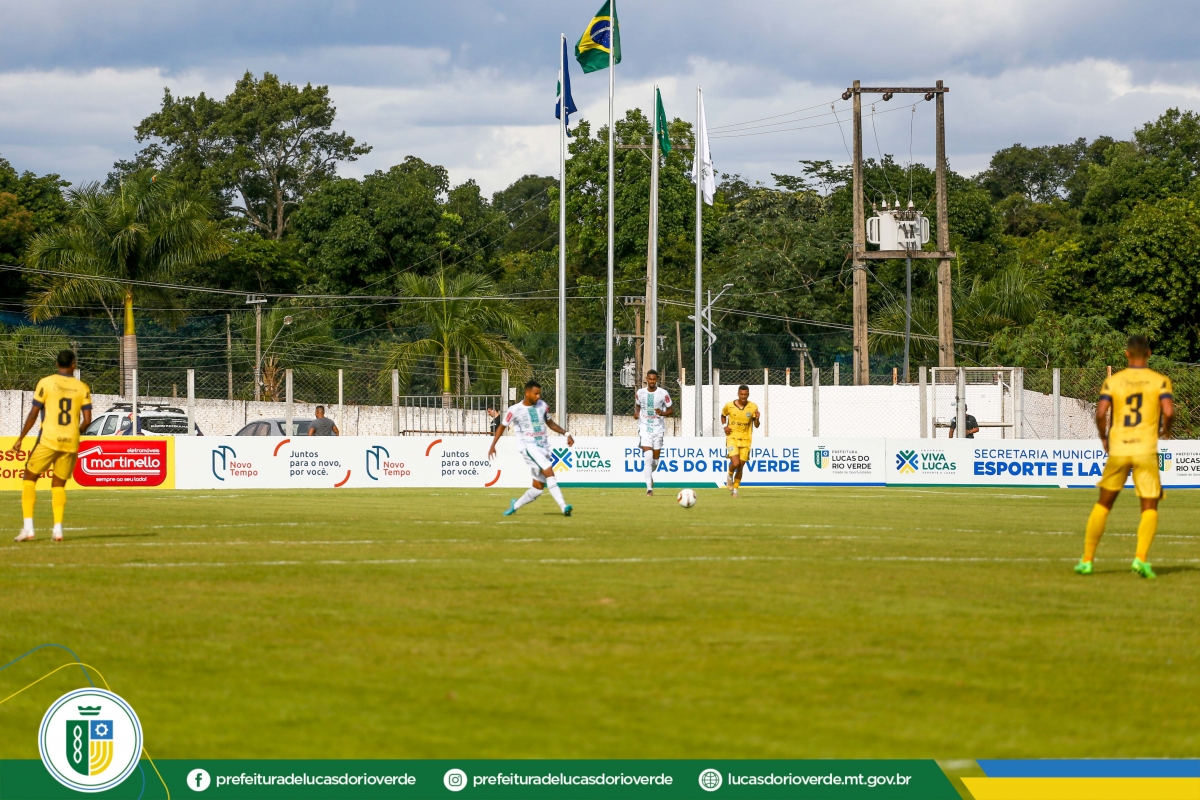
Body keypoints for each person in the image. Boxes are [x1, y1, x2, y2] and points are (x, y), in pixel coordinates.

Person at [1075, 335, 1174, 579]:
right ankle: (1140, 559)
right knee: (1149, 505)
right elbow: (1169, 411)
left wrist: (1104, 438)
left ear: (1127, 354)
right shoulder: (1160, 381)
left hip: (1119, 447)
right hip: (1145, 449)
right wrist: (1166, 431)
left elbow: (1101, 413)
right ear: (1149, 354)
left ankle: (1087, 561)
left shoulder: (1114, 381)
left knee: (1104, 503)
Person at [9, 350, 92, 542]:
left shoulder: (46, 383)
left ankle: (28, 529)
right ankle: (58, 530)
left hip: (48, 439)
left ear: (56, 364)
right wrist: (74, 433)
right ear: (73, 365)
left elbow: (33, 413)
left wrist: (21, 438)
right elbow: (87, 420)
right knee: (59, 484)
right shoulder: (82, 387)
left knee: (29, 477)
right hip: (70, 442)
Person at [489, 380, 574, 517]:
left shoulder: (542, 406)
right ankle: (564, 507)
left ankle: (514, 506)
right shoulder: (515, 410)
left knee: (538, 488)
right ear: (527, 393)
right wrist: (493, 445)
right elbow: (502, 426)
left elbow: (550, 423)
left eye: (539, 394)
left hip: (543, 447)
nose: (538, 396)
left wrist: (566, 433)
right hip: (528, 447)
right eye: (536, 394)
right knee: (549, 471)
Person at [633, 369, 673, 496]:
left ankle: (650, 474)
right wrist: (637, 413)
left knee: (655, 462)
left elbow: (671, 409)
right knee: (648, 456)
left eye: (654, 379)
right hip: (645, 429)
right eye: (650, 379)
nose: (652, 381)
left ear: (657, 380)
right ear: (647, 379)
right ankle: (649, 489)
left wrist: (662, 413)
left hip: (658, 429)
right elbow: (638, 405)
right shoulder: (640, 392)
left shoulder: (663, 393)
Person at [721, 385, 760, 497]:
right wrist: (724, 426)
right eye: (741, 394)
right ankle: (729, 475)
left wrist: (757, 419)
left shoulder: (753, 407)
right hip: (732, 438)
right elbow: (723, 415)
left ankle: (735, 490)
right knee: (735, 463)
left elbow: (756, 425)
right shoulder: (729, 405)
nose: (743, 396)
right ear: (738, 394)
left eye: (745, 394)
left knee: (740, 466)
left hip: (746, 440)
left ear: (748, 394)